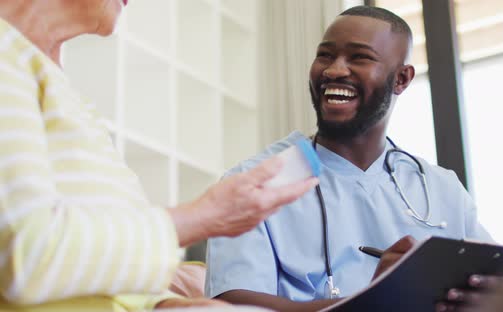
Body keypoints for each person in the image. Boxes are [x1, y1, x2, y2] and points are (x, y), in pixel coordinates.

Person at [0, 0, 317, 311]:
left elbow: (87, 270)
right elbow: (27, 255)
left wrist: (166, 303)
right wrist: (202, 216)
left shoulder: (60, 89)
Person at [205, 5, 503, 312]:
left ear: (401, 79)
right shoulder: (256, 181)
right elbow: (234, 307)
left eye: (359, 57)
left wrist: (500, 298)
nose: (334, 70)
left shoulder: (440, 188)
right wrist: (383, 299)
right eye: (325, 55)